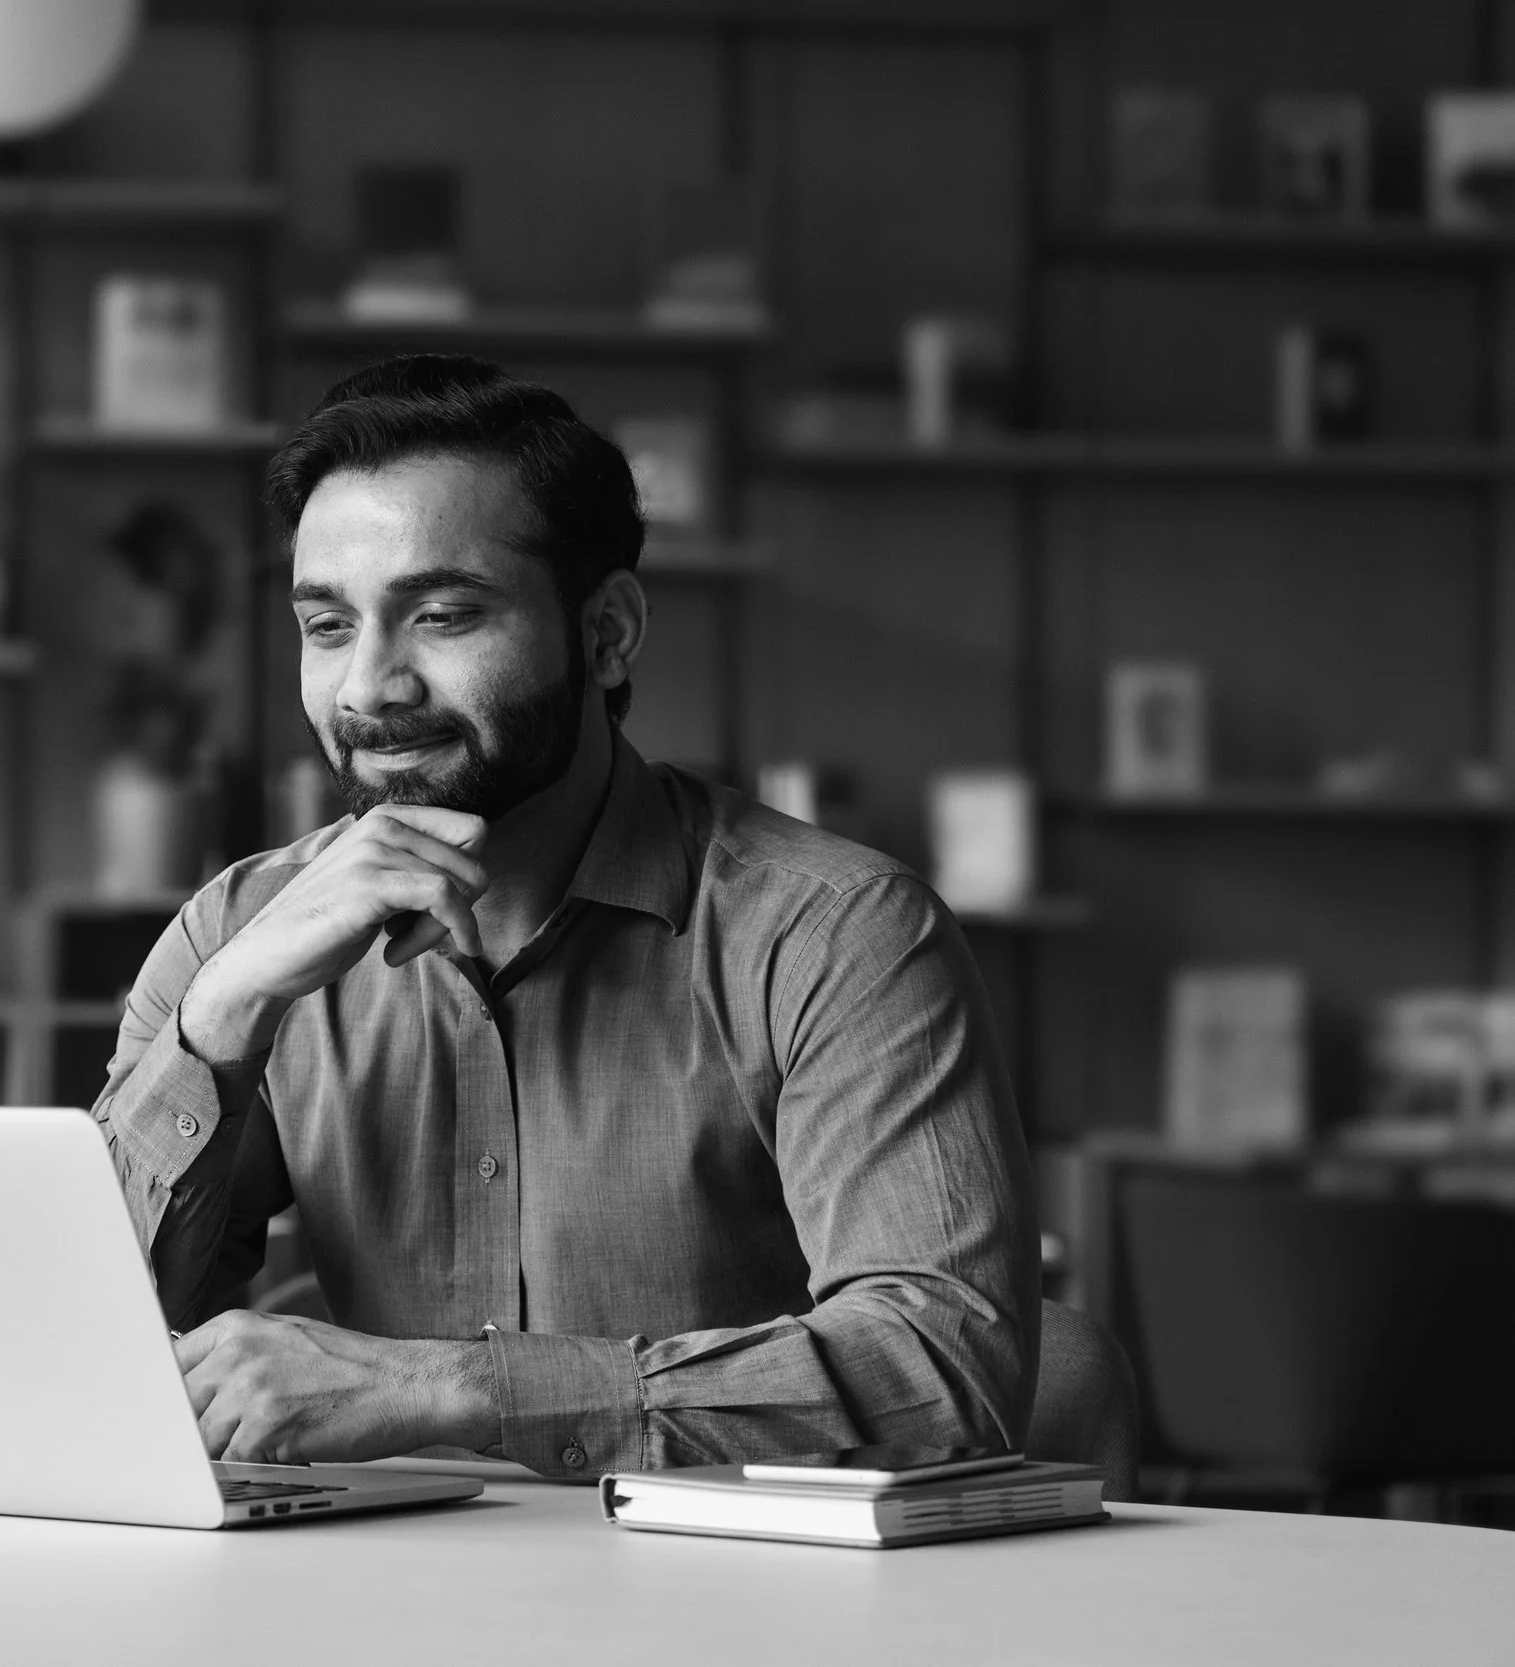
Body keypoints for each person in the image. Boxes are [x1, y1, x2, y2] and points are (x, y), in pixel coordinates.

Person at [89, 354, 1038, 1480]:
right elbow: (71, 1348)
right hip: (370, 1601)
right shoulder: (234, 935)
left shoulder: (837, 934)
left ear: (607, 633)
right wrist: (221, 1022)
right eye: (329, 625)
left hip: (750, 1607)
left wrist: (453, 1388)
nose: (367, 689)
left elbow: (944, 1369)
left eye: (441, 613)